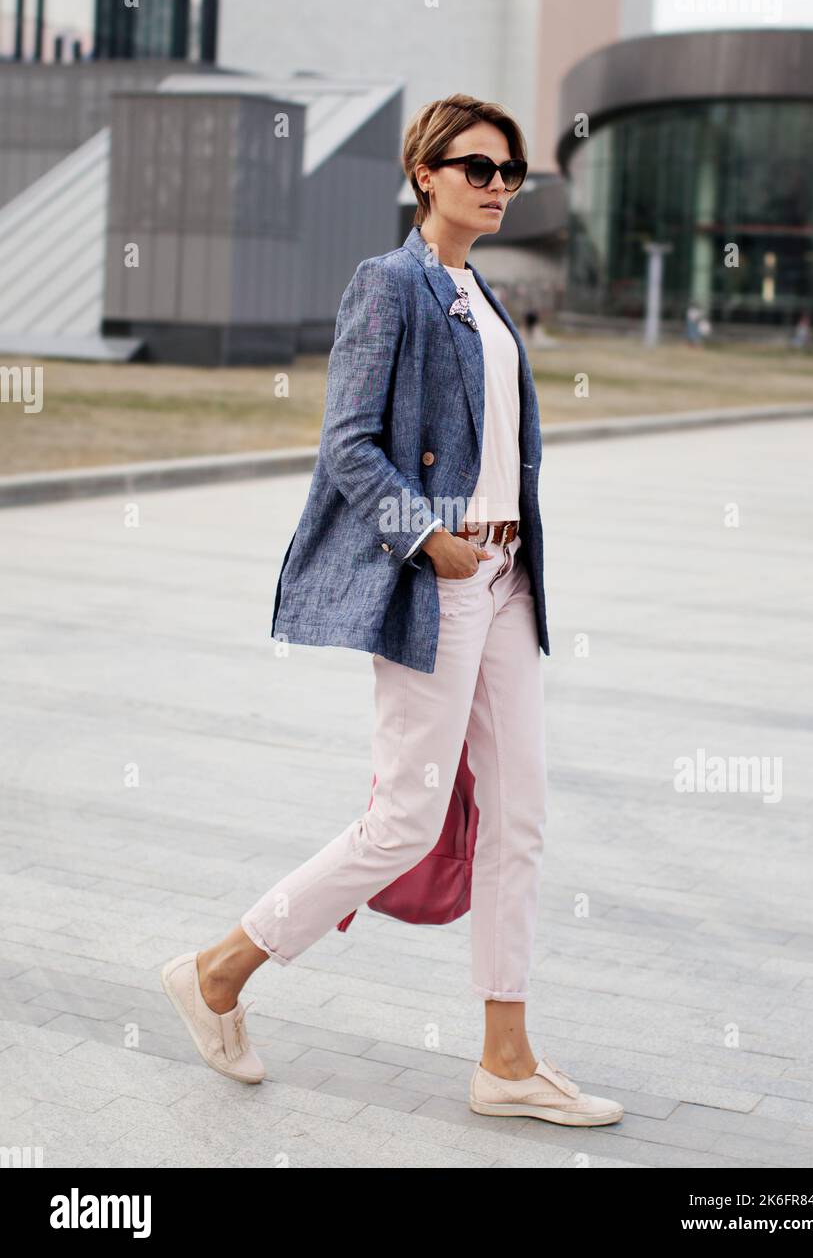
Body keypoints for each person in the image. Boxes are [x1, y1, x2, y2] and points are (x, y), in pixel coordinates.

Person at [161, 93, 623, 1129]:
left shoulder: (482, 295)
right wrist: (431, 538)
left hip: (507, 585)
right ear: (425, 173)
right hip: (444, 581)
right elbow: (345, 444)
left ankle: (505, 1057)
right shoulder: (391, 283)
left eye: (508, 171)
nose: (497, 185)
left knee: (518, 818)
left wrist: (494, 553)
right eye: (476, 167)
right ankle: (220, 968)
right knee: (406, 821)